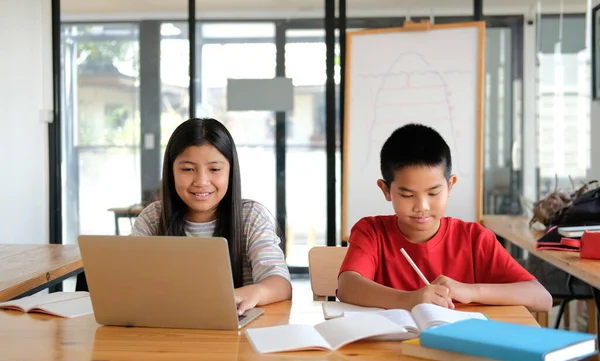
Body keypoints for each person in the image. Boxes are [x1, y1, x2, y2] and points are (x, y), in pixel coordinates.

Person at [337, 123, 552, 312]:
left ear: (450, 186)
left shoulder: (474, 238)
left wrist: (470, 291)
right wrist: (410, 299)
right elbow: (347, 286)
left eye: (433, 193)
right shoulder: (372, 232)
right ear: (386, 190)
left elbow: (542, 298)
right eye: (407, 195)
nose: (421, 206)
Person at [133, 118, 292, 314]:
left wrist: (251, 293)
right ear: (171, 171)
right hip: (167, 332)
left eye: (215, 169)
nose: (201, 181)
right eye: (188, 169)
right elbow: (130, 282)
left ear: (230, 172)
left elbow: (280, 284)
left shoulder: (250, 217)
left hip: (238, 334)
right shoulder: (152, 218)